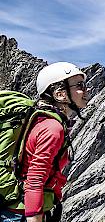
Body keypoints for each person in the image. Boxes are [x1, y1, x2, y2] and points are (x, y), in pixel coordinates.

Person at [0, 62, 88, 222]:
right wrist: (35, 217)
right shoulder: (53, 127)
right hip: (22, 214)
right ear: (60, 94)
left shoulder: (42, 120)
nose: (86, 91)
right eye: (80, 85)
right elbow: (35, 179)